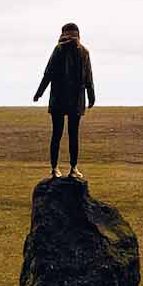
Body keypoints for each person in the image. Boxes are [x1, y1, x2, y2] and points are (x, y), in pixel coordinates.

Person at [33, 21, 96, 180]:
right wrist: (91, 95)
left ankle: (54, 169)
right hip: (76, 99)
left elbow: (48, 74)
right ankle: (73, 168)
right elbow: (89, 77)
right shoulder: (84, 52)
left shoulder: (58, 50)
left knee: (57, 134)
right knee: (73, 134)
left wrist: (39, 93)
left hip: (58, 98)